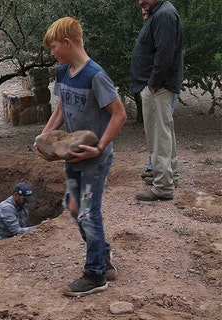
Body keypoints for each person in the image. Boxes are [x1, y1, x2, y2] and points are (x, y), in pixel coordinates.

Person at [35, 17, 126, 297]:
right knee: (75, 209)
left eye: (53, 47)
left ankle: (95, 274)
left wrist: (99, 147)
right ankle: (104, 260)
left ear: (67, 43)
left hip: (95, 159)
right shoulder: (63, 72)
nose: (51, 53)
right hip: (72, 156)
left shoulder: (95, 75)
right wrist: (42, 138)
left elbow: (119, 114)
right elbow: (61, 111)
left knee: (88, 212)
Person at [131, 0, 183, 201]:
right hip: (159, 86)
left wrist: (153, 83)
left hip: (158, 87)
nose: (140, 1)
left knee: (159, 135)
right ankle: (171, 177)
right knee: (165, 132)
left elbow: (165, 53)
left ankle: (162, 187)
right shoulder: (160, 13)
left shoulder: (164, 15)